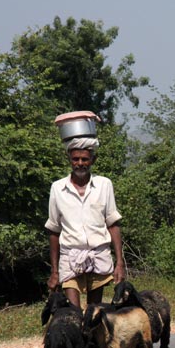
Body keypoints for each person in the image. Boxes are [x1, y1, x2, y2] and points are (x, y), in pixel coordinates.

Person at [45, 112, 125, 309]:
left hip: (98, 256)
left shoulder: (104, 185)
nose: (80, 163)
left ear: (92, 160)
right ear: (69, 159)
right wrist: (55, 271)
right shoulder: (58, 188)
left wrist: (119, 262)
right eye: (76, 159)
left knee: (93, 314)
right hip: (70, 258)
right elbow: (54, 230)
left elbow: (113, 224)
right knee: (74, 313)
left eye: (84, 159)